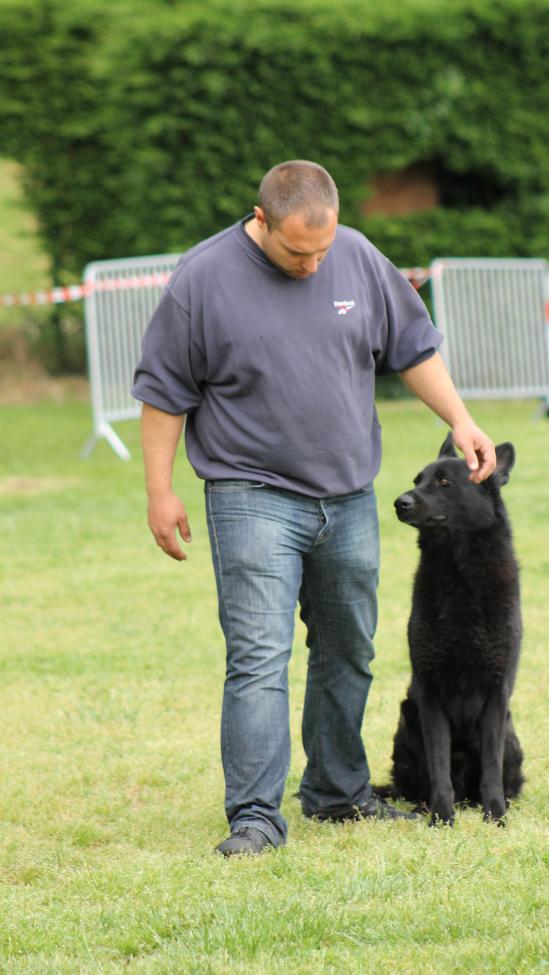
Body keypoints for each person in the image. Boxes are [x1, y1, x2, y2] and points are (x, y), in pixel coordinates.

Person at [132, 160, 496, 858]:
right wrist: (160, 490)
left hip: (350, 496)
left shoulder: (356, 257)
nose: (312, 265)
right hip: (251, 495)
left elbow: (413, 348)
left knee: (349, 649)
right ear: (261, 220)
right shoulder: (202, 279)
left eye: (321, 251)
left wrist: (461, 419)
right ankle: (256, 818)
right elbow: (162, 392)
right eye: (297, 251)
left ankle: (337, 792)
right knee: (259, 656)